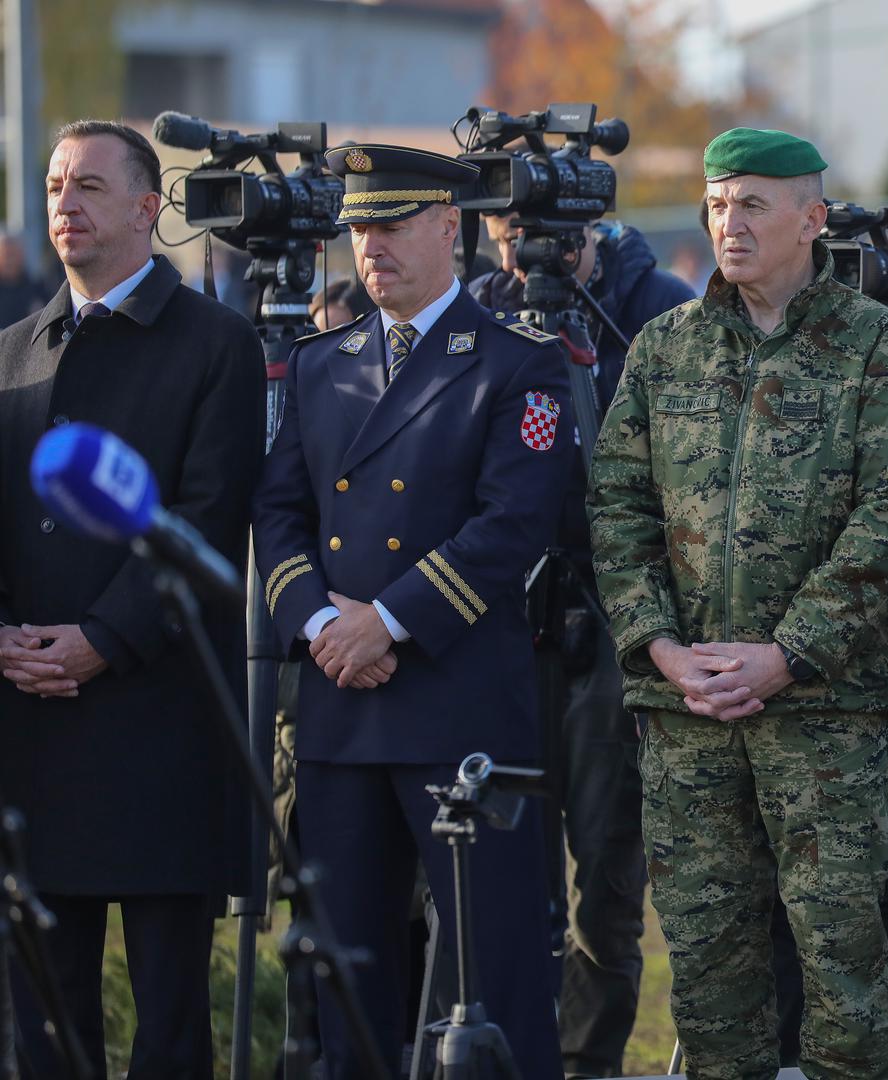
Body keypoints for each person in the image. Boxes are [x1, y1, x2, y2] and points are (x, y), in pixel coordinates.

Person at [588, 127, 888, 1080]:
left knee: (846, 987)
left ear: (812, 219)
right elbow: (615, 508)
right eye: (716, 203)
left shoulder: (870, 346)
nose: (727, 223)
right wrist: (660, 649)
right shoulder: (665, 348)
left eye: (752, 204)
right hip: (688, 718)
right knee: (710, 993)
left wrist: (788, 653)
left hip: (823, 717)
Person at [252, 143, 575, 1080]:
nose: (370, 248)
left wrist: (382, 623)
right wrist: (319, 625)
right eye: (358, 229)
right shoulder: (321, 365)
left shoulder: (516, 363)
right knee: (344, 983)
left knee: (495, 981)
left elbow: (512, 525)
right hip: (340, 710)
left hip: (457, 711)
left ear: (448, 226)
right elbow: (279, 514)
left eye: (390, 226)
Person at [0, 120, 264, 1078]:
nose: (66, 204)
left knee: (168, 1025)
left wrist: (103, 637)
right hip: (32, 729)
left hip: (161, 724)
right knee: (44, 1020)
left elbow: (207, 517)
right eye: (56, 185)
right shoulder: (11, 350)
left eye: (91, 187)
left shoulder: (215, 343)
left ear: (149, 209)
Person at [469, 212, 694, 1079]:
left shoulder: (653, 307)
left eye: (533, 224)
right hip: (501, 622)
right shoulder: (481, 311)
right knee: (504, 867)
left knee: (605, 872)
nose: (517, 246)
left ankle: (587, 1061)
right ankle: (516, 1050)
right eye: (499, 226)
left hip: (613, 622)